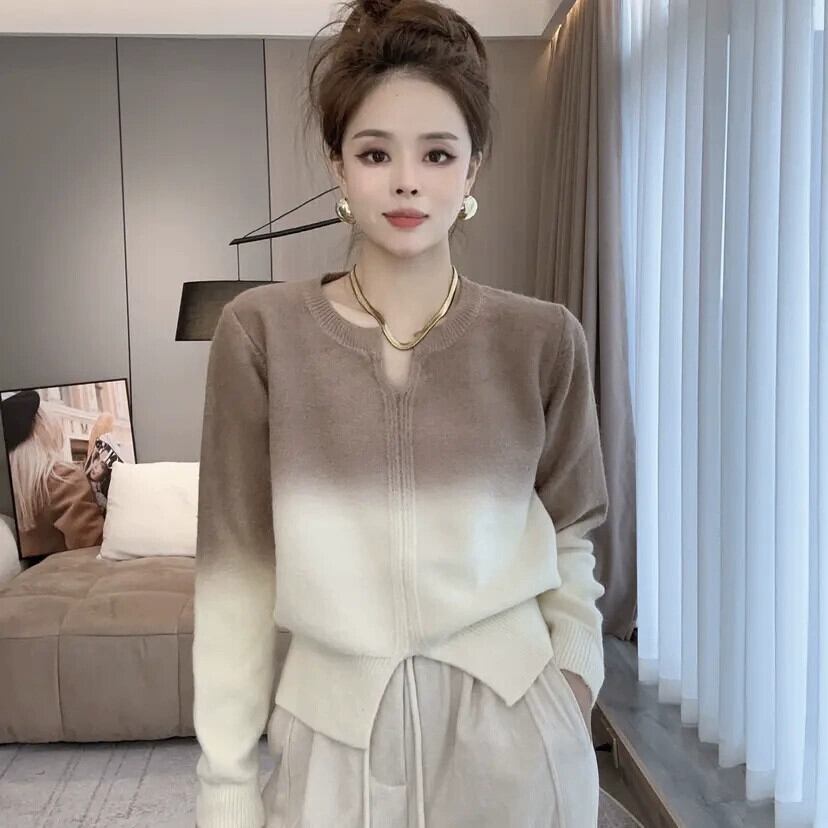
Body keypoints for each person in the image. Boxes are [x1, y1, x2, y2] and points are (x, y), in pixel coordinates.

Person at [192, 1, 610, 826]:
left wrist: (571, 680)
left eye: (438, 153)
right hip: (333, 749)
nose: (407, 180)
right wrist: (227, 785)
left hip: (513, 736)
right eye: (376, 152)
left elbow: (570, 534)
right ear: (339, 167)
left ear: (473, 168)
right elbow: (236, 575)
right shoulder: (261, 335)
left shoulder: (541, 339)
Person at [1, 389, 104, 559]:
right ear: (43, 429)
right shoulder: (62, 478)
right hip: (70, 571)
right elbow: (93, 547)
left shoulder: (13, 483)